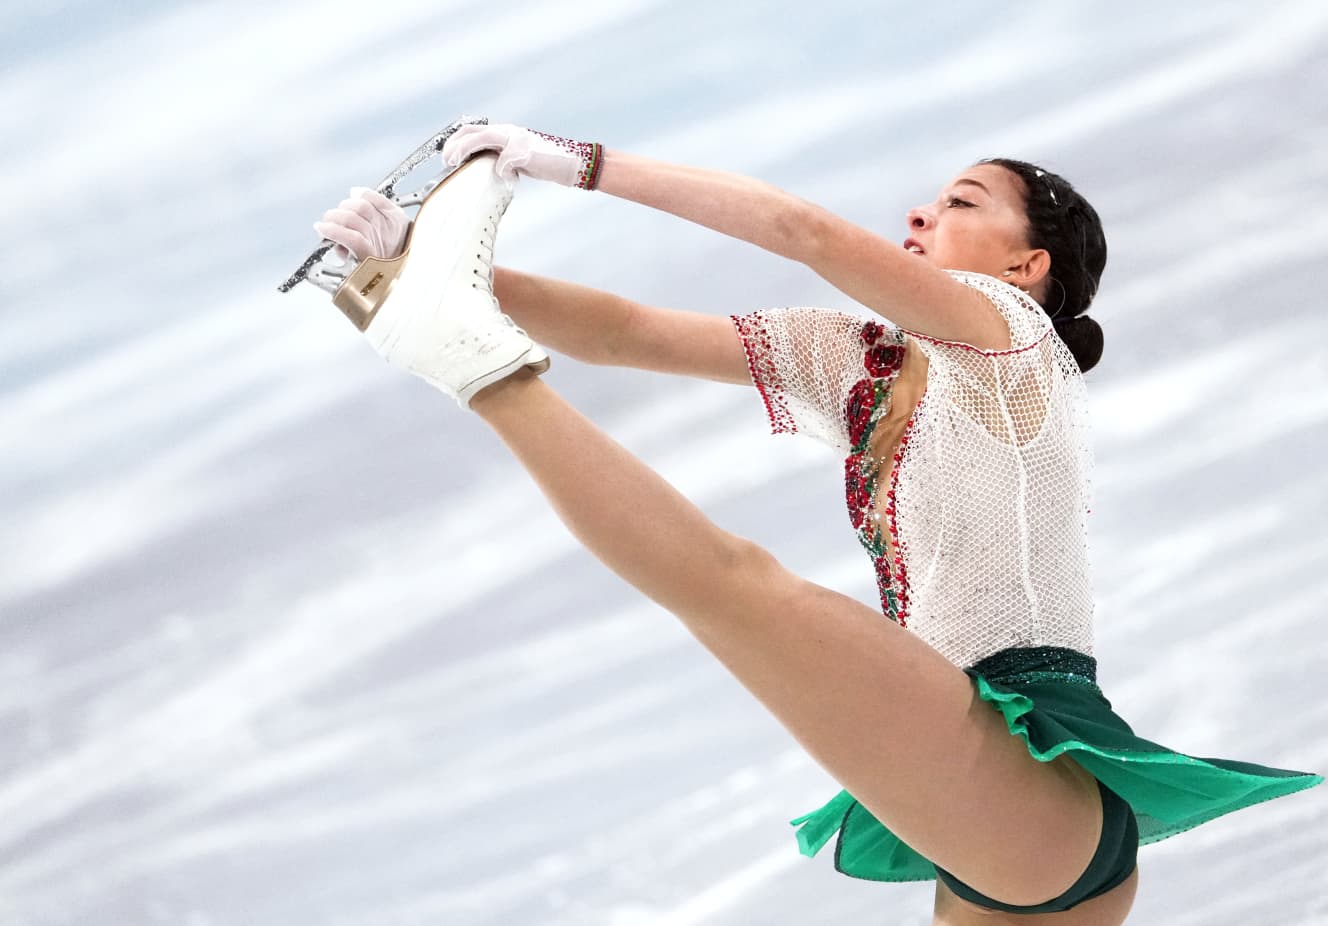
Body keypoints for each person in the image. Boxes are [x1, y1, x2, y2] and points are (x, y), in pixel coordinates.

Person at [312, 124, 1322, 924]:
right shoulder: (857, 358)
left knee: (731, 587)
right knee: (731, 587)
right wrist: (415, 259)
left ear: (1026, 267)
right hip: (1005, 823)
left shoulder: (1008, 337)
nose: (920, 213)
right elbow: (623, 332)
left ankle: (472, 368)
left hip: (1021, 759)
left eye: (961, 203)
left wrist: (572, 162)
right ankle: (458, 335)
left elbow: (802, 232)